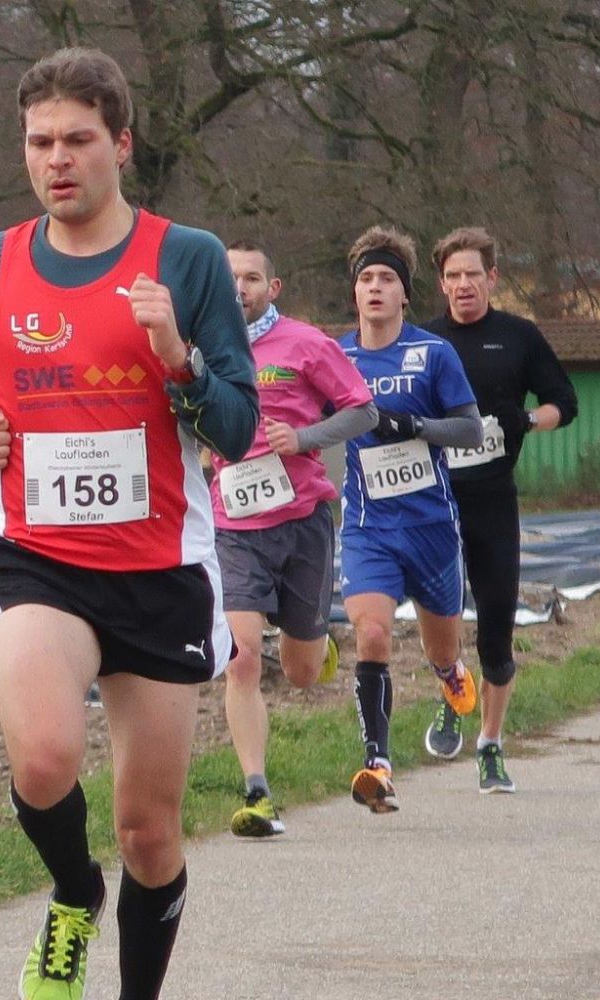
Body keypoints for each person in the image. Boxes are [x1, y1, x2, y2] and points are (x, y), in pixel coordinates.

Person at [0, 47, 258, 1000]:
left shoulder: (187, 258)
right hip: (37, 560)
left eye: (78, 140)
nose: (56, 159)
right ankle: (71, 890)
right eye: (39, 142)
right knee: (45, 757)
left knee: (149, 832)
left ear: (121, 146)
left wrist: (178, 356)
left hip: (160, 569)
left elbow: (237, 426)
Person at [210, 239, 374, 837]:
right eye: (230, 276)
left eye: (251, 278)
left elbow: (362, 411)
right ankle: (257, 792)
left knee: (301, 671)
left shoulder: (305, 343)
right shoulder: (201, 348)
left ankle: (315, 643)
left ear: (271, 288)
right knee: (242, 657)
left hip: (302, 520)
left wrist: (303, 439)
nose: (239, 287)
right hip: (233, 525)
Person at [423, 226, 578, 793]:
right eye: (453, 276)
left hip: (492, 499)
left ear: (492, 277)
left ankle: (490, 744)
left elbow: (565, 402)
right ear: (441, 284)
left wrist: (528, 420)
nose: (463, 284)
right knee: (440, 616)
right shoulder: (424, 341)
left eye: (473, 274)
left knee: (495, 626)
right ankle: (452, 691)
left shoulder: (518, 336)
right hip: (435, 499)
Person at [336, 224, 484, 814]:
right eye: (366, 279)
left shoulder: (433, 354)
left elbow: (470, 429)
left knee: (440, 648)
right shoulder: (336, 358)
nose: (375, 288)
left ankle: (448, 672)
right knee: (371, 635)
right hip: (367, 528)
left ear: (404, 294)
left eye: (387, 279)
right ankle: (378, 764)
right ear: (355, 292)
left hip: (430, 528)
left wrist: (416, 426)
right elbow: (309, 422)